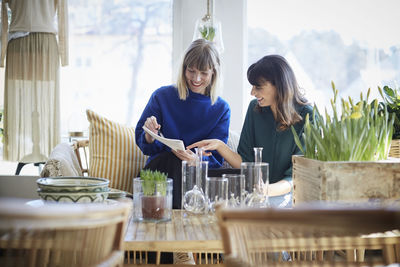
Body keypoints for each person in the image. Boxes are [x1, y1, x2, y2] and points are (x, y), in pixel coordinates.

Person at [188, 55, 313, 208]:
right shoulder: (255, 109)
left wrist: (266, 190)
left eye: (258, 87)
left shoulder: (307, 115)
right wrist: (219, 145)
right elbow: (244, 162)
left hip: (289, 197)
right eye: (253, 86)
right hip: (257, 197)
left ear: (279, 86)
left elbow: (297, 176)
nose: (252, 92)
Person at [135, 38, 230, 210]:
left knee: (184, 167)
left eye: (204, 73)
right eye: (191, 71)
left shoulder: (221, 109)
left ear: (214, 73)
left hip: (196, 176)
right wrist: (149, 135)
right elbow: (145, 146)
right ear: (184, 68)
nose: (196, 78)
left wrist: (196, 160)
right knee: (172, 160)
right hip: (160, 173)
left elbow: (216, 159)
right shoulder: (162, 97)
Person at [1, 0, 68, 164]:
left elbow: (62, 14)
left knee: (46, 98)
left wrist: (64, 53)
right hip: (19, 43)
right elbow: (2, 13)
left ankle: (47, 152)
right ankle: (24, 151)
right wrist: (1, 51)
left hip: (44, 44)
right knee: (21, 98)